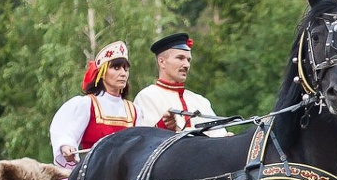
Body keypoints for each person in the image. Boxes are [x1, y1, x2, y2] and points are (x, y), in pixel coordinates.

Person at [48, 40, 138, 169]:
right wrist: (66, 146)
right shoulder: (87, 104)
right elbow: (66, 131)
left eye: (125, 68)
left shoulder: (135, 110)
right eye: (116, 68)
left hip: (128, 175)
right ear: (102, 73)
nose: (123, 73)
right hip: (94, 173)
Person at [134, 31, 228, 136]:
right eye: (180, 58)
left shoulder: (201, 101)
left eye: (188, 60)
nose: (186, 65)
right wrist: (164, 125)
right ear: (162, 62)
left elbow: (219, 136)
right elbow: (144, 142)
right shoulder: (147, 97)